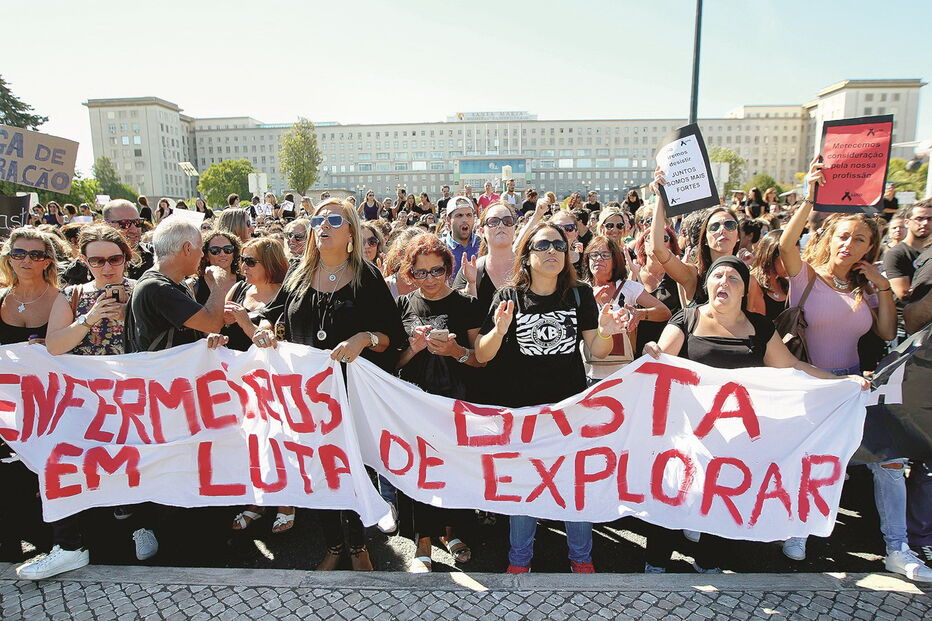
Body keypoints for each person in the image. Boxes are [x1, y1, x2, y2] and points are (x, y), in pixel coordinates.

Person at [642, 255, 869, 573]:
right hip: (688, 430)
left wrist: (842, 382)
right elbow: (663, 353)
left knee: (720, 498)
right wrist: (653, 350)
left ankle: (708, 562)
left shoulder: (759, 327)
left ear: (744, 289)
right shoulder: (687, 319)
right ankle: (655, 564)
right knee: (673, 494)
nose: (724, 282)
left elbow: (791, 366)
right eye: (718, 275)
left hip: (735, 436)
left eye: (733, 278)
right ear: (707, 283)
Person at [777, 158, 931, 581]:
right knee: (812, 460)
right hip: (809, 384)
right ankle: (800, 526)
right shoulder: (805, 276)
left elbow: (884, 330)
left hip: (855, 385)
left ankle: (897, 548)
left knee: (890, 459)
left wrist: (880, 283)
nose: (849, 244)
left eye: (859, 239)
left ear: (869, 247)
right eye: (844, 236)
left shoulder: (866, 287)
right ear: (830, 236)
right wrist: (811, 195)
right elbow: (786, 246)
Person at [252, 197, 405, 571]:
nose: (323, 225)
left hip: (352, 392)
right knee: (317, 469)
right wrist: (265, 331)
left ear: (351, 230)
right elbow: (271, 317)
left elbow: (392, 338)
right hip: (307, 396)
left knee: (352, 468)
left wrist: (363, 338)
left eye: (334, 219)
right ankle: (334, 545)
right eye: (318, 218)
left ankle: (358, 546)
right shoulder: (298, 274)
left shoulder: (367, 277)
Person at [475, 222, 630, 574]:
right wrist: (499, 331)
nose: (552, 252)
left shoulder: (580, 295)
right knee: (525, 487)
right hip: (523, 414)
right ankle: (519, 560)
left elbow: (597, 351)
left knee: (574, 483)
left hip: (568, 412)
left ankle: (581, 557)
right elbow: (482, 354)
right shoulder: (507, 297)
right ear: (526, 255)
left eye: (559, 246)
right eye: (543, 245)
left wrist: (606, 332)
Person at [25, 225, 159, 578]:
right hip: (84, 401)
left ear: (127, 259)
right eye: (97, 260)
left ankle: (139, 524)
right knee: (71, 462)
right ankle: (71, 543)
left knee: (132, 461)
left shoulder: (144, 290)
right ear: (84, 261)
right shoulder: (71, 295)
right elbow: (54, 345)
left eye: (115, 259)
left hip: (133, 398)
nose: (107, 267)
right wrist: (88, 319)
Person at [395, 234, 484, 572]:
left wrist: (454, 351)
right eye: (421, 273)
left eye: (436, 271)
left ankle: (452, 531)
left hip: (456, 402)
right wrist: (414, 349)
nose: (430, 279)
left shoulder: (466, 305)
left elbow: (481, 360)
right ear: (410, 274)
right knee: (416, 470)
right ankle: (423, 541)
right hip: (413, 402)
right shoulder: (403, 306)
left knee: (453, 469)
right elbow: (394, 363)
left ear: (448, 269)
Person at [123, 219, 236, 353]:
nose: (201, 254)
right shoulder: (157, 288)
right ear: (187, 248)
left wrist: (207, 337)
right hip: (163, 372)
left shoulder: (174, 283)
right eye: (200, 248)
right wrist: (220, 281)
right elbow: (213, 324)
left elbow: (196, 326)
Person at [583, 234, 670, 383]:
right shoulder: (580, 290)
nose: (598, 259)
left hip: (624, 373)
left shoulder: (628, 287)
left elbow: (664, 312)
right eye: (594, 254)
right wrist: (588, 304)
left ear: (615, 260)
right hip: (588, 374)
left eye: (605, 255)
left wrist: (639, 314)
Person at [648, 171, 742, 305]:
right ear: (704, 238)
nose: (722, 230)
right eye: (714, 227)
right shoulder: (692, 275)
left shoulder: (747, 277)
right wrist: (660, 196)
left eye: (730, 225)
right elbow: (658, 248)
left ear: (738, 236)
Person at [455, 202, 518, 319]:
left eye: (507, 221)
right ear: (481, 231)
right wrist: (471, 284)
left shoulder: (530, 268)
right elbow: (463, 316)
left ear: (515, 228)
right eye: (493, 222)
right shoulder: (471, 270)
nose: (501, 225)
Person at [633, 224, 683, 355]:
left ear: (671, 246)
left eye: (664, 239)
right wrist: (631, 275)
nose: (656, 242)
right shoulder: (632, 273)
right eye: (651, 238)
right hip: (635, 353)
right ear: (643, 245)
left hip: (668, 352)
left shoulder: (678, 277)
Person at [102, 199, 155, 279]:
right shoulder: (93, 261)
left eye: (137, 222)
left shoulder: (155, 255)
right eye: (124, 223)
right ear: (106, 225)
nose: (134, 229)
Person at [187, 230, 242, 305]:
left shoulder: (246, 282)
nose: (222, 254)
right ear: (206, 255)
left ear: (234, 253)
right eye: (215, 250)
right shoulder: (193, 286)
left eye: (228, 249)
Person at [748, 230, 789, 321]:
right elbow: (758, 323)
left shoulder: (786, 283)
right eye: (787, 257)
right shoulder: (753, 283)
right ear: (771, 255)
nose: (792, 262)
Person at [441, 196, 480, 278]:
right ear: (448, 219)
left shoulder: (483, 245)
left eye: (469, 215)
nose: (465, 219)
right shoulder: (439, 247)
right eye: (459, 215)